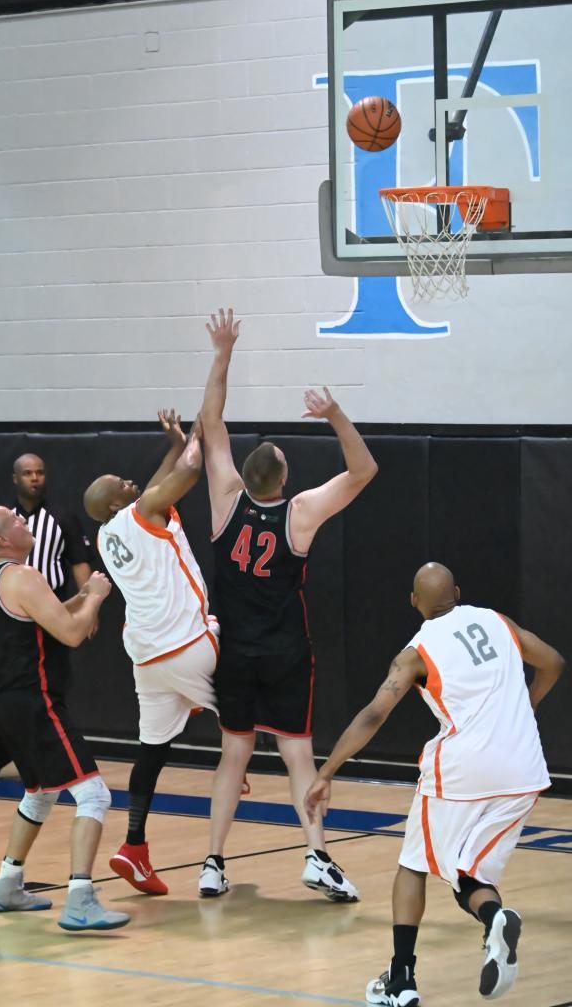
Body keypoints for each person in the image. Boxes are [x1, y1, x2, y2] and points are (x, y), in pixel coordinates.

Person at [306, 562, 564, 1005]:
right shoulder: (496, 620)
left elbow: (373, 714)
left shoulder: (414, 654)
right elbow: (554, 662)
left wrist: (326, 771)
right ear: (457, 592)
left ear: (414, 602)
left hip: (462, 769)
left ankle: (401, 980)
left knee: (413, 864)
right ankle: (495, 918)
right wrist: (529, 705)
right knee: (468, 875)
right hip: (524, 769)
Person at [197, 308, 378, 901]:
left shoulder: (225, 499)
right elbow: (364, 470)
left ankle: (212, 863)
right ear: (282, 478)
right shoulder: (298, 513)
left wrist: (223, 352)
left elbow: (210, 421)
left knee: (233, 756)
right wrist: (334, 414)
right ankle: (316, 854)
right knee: (299, 754)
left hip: (235, 653)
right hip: (285, 653)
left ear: (247, 476)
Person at [0, 504, 129, 931]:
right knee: (94, 795)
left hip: (5, 703)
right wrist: (96, 596)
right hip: (34, 701)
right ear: (2, 539)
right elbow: (72, 633)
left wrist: (81, 595)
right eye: (15, 521)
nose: (24, 521)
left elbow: (43, 616)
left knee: (39, 794)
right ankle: (80, 899)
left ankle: (7, 883)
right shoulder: (23, 576)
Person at [84, 411, 219, 897]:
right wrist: (200, 434)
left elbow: (162, 481)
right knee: (249, 679)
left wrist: (176, 442)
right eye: (122, 483)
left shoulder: (107, 535)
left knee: (152, 751)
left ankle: (134, 846)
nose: (131, 480)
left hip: (147, 656)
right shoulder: (141, 512)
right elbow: (188, 473)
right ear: (117, 501)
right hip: (187, 643)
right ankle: (235, 762)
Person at [0, 452, 93, 780]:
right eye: (28, 473)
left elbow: (79, 562)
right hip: (14, 614)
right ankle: (6, 750)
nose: (35, 478)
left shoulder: (61, 518)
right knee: (22, 685)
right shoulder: (1, 524)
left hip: (47, 607)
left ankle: (34, 754)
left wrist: (86, 600)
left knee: (47, 684)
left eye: (40, 472)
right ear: (15, 478)